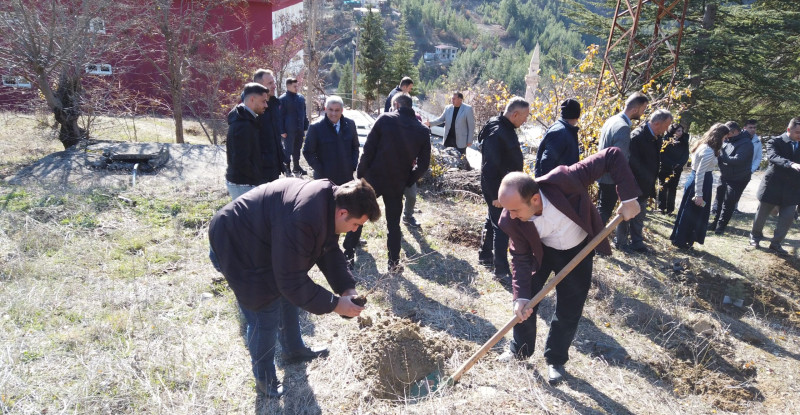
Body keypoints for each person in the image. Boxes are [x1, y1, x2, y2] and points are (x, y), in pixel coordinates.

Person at [208, 178, 381, 398]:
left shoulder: (329, 203)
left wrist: (347, 289)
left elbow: (328, 249)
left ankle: (293, 349)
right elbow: (291, 279)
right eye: (356, 225)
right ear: (342, 213)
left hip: (263, 239)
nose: (353, 230)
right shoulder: (305, 217)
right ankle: (265, 378)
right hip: (235, 241)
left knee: (286, 294)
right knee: (264, 311)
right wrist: (336, 305)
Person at [495, 148, 641, 384]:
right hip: (540, 253)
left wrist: (628, 197)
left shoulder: (564, 180)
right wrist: (520, 296)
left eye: (514, 209)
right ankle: (519, 350)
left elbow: (612, 155)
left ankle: (556, 359)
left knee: (569, 308)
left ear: (534, 199)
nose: (510, 216)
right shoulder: (510, 220)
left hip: (578, 249)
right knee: (526, 303)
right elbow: (520, 257)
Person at [356, 93, 431, 272]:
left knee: (359, 214)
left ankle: (348, 254)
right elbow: (424, 164)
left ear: (396, 104)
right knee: (393, 224)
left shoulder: (385, 119)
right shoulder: (421, 130)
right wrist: (409, 179)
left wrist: (361, 174)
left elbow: (368, 148)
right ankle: (393, 262)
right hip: (398, 181)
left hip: (374, 177)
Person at [302, 96, 361, 266]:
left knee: (350, 213)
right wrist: (320, 168)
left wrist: (352, 163)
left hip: (346, 178)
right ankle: (326, 249)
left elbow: (355, 147)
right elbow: (308, 152)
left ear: (342, 110)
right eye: (330, 110)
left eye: (337, 110)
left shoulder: (350, 125)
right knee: (327, 215)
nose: (333, 113)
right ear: (325, 109)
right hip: (325, 180)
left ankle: (349, 249)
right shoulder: (316, 127)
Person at [478, 97, 530, 282]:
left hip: (504, 188)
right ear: (515, 114)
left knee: (492, 220)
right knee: (502, 227)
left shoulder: (505, 127)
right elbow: (489, 167)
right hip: (498, 189)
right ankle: (500, 270)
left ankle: (485, 255)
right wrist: (496, 196)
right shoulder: (497, 131)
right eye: (524, 117)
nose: (525, 121)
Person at [617, 109, 673, 253]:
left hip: (646, 185)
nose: (667, 129)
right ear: (656, 123)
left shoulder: (656, 137)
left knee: (640, 215)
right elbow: (631, 164)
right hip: (633, 185)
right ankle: (621, 243)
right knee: (626, 215)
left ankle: (637, 243)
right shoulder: (638, 136)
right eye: (666, 125)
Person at [670, 123, 729, 250]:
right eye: (724, 137)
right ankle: (681, 240)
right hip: (700, 182)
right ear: (719, 136)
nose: (725, 140)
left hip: (699, 181)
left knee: (692, 212)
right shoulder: (708, 150)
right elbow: (700, 173)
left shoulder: (705, 145)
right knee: (691, 213)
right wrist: (699, 194)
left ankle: (684, 239)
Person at [596, 92, 650, 224]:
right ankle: (592, 242)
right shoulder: (623, 127)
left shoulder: (611, 120)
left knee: (600, 210)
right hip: (610, 178)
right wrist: (622, 184)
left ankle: (591, 240)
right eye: (643, 109)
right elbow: (619, 160)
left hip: (601, 173)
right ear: (635, 109)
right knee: (604, 213)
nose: (643, 113)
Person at [749, 118, 800, 255]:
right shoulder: (775, 141)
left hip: (792, 189)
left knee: (788, 218)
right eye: (797, 132)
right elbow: (773, 157)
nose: (799, 135)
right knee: (761, 215)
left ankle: (776, 243)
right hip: (773, 186)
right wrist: (790, 164)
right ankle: (755, 237)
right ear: (789, 130)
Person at [225, 82, 270, 200]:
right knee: (248, 218)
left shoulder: (247, 120)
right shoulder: (243, 125)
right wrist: (258, 178)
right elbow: (240, 161)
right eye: (263, 101)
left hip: (244, 183)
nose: (266, 105)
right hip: (243, 184)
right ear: (252, 99)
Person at [710, 121, 754, 234]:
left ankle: (720, 227)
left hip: (738, 178)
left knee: (728, 203)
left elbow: (738, 160)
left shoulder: (746, 143)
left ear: (735, 132)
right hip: (725, 175)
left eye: (727, 133)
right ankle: (714, 223)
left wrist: (720, 156)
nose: (725, 135)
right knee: (719, 200)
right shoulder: (727, 140)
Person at [253, 69, 289, 181]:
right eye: (270, 83)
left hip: (274, 166)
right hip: (259, 170)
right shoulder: (251, 108)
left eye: (273, 82)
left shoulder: (275, 104)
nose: (274, 86)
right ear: (259, 86)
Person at [426, 92, 476, 170]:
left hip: (461, 140)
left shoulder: (467, 109)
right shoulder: (448, 108)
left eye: (454, 98)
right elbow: (441, 119)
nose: (452, 100)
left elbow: (471, 126)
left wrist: (469, 140)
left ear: (460, 99)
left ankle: (466, 171)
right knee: (447, 158)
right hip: (448, 138)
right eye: (452, 98)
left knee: (462, 159)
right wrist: (430, 123)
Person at [534, 98, 581, 177]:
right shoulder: (560, 132)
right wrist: (550, 186)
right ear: (576, 117)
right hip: (554, 185)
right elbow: (547, 162)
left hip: (559, 183)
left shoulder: (562, 129)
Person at [657, 123, 689, 214]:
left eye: (681, 131)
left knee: (672, 188)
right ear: (673, 131)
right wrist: (671, 164)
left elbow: (685, 155)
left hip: (677, 168)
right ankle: (661, 207)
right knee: (663, 187)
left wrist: (679, 164)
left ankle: (670, 209)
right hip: (665, 167)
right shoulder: (666, 140)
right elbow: (662, 154)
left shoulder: (684, 141)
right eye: (678, 130)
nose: (681, 132)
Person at [279, 78, 310, 175]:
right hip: (288, 130)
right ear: (288, 86)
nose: (297, 88)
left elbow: (304, 113)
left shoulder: (301, 98)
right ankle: (287, 168)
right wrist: (282, 130)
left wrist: (305, 126)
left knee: (297, 148)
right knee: (288, 150)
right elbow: (279, 116)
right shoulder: (282, 99)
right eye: (294, 86)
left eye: (297, 86)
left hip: (299, 129)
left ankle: (296, 167)